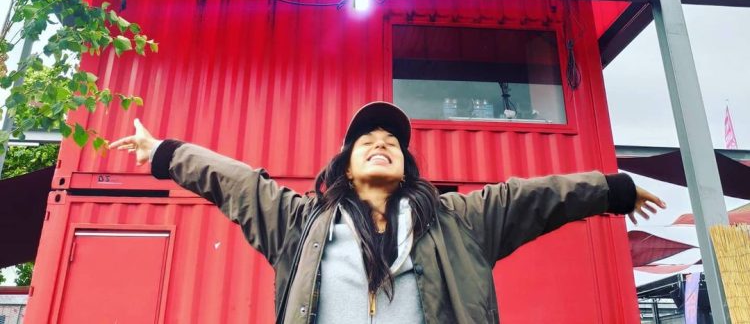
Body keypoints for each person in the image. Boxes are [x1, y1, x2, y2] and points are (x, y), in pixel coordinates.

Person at [110, 101, 665, 324]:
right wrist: (163, 153)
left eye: (392, 142)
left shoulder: (458, 221)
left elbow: (534, 197)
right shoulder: (301, 225)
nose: (381, 143)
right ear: (347, 167)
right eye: (368, 141)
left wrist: (613, 189)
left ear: (405, 165)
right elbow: (238, 184)